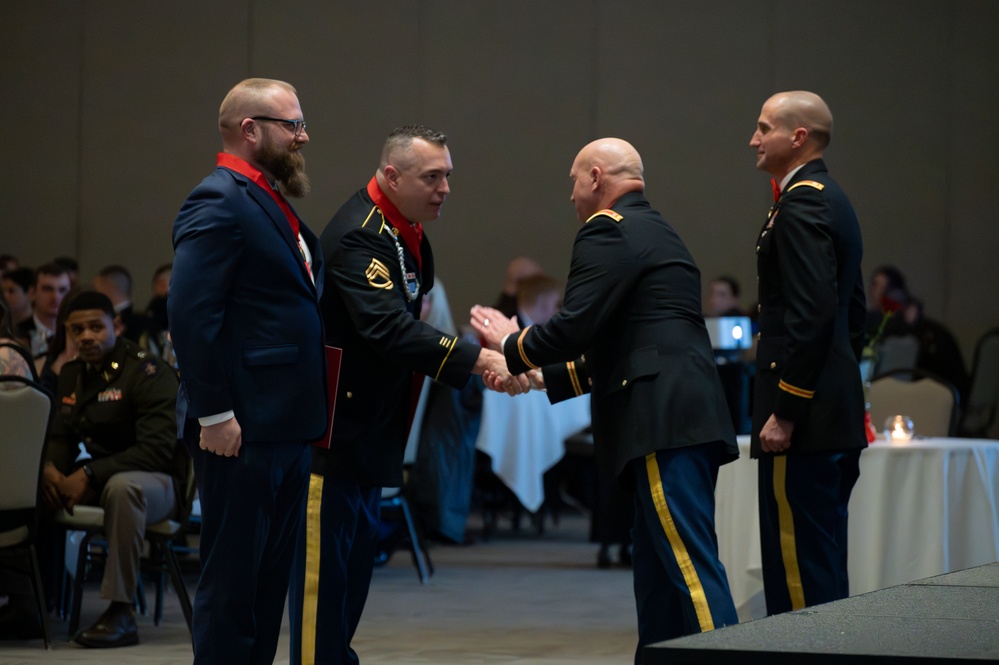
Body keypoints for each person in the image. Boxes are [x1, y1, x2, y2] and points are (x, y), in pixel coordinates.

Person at [471, 137, 739, 661]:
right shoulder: (658, 229)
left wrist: (509, 342)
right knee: (660, 574)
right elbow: (618, 349)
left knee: (689, 569)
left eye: (573, 181)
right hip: (680, 413)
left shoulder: (606, 230)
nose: (571, 196)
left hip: (661, 420)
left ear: (595, 177)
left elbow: (574, 329)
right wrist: (531, 373)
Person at [288, 124, 524, 665]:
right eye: (432, 177)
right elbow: (389, 330)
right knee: (323, 590)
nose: (444, 188)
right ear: (391, 176)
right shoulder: (359, 235)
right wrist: (480, 358)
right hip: (336, 438)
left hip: (372, 434)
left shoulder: (405, 230)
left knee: (351, 580)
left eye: (448, 176)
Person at [169, 77, 327, 665]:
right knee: (233, 587)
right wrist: (214, 412)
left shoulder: (265, 197)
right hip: (239, 428)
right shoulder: (218, 199)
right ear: (251, 129)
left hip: (284, 424)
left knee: (264, 590)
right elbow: (190, 314)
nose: (303, 136)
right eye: (293, 125)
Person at [748, 90, 867, 616]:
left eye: (763, 127)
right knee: (822, 562)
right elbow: (853, 312)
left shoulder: (801, 203)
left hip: (802, 422)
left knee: (798, 574)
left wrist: (788, 409)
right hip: (831, 409)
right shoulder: (831, 196)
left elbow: (812, 313)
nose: (753, 139)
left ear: (798, 137)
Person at [40, 291, 183, 648]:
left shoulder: (146, 370)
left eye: (94, 327)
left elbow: (156, 450)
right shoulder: (73, 374)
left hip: (157, 483)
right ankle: (32, 603)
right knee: (38, 485)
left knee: (123, 488)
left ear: (115, 325)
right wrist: (52, 471)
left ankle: (122, 613)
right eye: (77, 330)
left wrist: (90, 474)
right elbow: (61, 435)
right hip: (104, 476)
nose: (86, 336)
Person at [18, 262, 71, 358]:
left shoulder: (74, 333)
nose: (56, 297)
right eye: (47, 289)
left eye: (62, 290)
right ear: (32, 293)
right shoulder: (17, 333)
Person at [92, 264, 150, 343]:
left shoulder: (138, 325)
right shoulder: (145, 321)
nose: (93, 295)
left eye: (96, 289)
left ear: (109, 288)